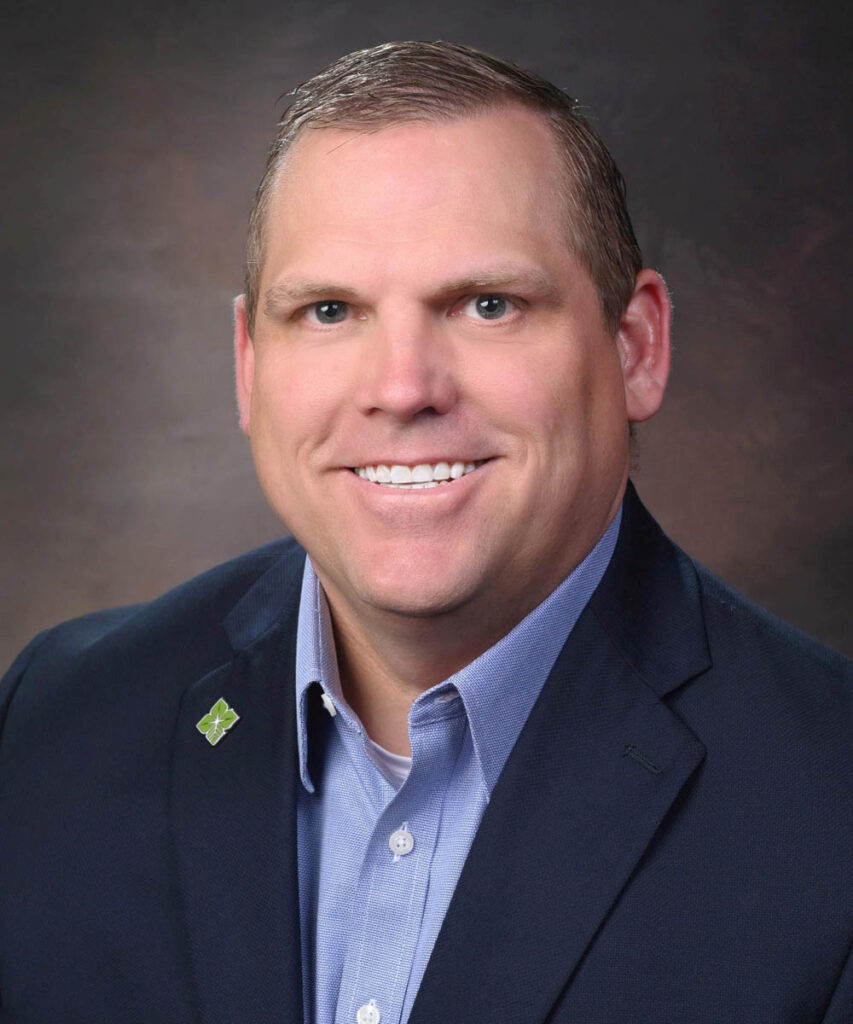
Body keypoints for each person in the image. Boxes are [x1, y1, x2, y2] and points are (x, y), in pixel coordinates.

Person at [0, 40, 850, 1024]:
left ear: (635, 349)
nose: (402, 388)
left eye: (488, 305)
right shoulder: (54, 723)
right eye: (328, 311)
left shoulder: (828, 807)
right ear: (247, 365)